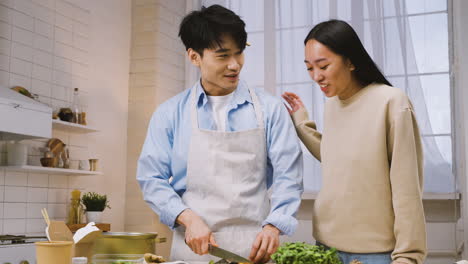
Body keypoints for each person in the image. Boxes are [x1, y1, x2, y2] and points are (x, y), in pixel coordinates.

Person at [137, 5, 303, 264]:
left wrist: (274, 226)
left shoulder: (269, 109)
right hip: (194, 250)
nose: (234, 65)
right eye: (223, 55)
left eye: (239, 53)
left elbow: (289, 175)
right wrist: (187, 218)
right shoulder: (169, 113)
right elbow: (151, 178)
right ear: (194, 57)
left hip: (253, 249)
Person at [282, 20, 427, 264]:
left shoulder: (392, 102)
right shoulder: (333, 106)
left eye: (323, 65)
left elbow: (407, 188)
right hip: (325, 246)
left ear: (350, 61)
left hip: (375, 254)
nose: (316, 76)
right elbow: (336, 156)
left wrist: (408, 256)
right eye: (309, 68)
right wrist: (301, 123)